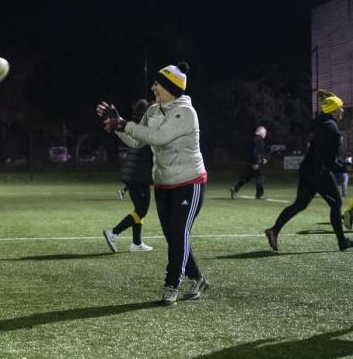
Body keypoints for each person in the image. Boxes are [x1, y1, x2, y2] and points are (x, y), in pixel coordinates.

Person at [97, 62, 208, 306]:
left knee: (179, 233)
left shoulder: (185, 112)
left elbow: (159, 137)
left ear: (170, 86)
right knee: (174, 237)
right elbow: (137, 141)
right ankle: (198, 279)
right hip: (163, 183)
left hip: (189, 182)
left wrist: (124, 124)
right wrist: (117, 124)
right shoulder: (154, 110)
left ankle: (172, 285)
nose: (153, 86)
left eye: (158, 83)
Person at [265, 90, 353, 252]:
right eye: (340, 107)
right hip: (318, 173)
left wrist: (327, 97)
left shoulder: (322, 122)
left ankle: (274, 230)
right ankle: (342, 242)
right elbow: (328, 162)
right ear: (334, 110)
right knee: (336, 204)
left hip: (308, 170)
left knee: (300, 205)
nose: (343, 110)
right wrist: (346, 166)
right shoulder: (332, 129)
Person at [103, 98, 154, 253]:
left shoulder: (136, 127)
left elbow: (123, 130)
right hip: (137, 176)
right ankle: (113, 232)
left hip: (136, 175)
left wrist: (116, 118)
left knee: (140, 209)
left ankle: (136, 243)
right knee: (141, 210)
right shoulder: (144, 130)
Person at [230, 126, 268, 200]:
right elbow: (256, 152)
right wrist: (256, 162)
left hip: (251, 162)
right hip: (255, 163)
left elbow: (255, 152)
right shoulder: (258, 140)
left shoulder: (252, 139)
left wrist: (263, 159)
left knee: (247, 178)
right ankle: (259, 195)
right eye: (265, 133)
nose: (265, 134)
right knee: (259, 177)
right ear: (261, 132)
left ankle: (235, 188)